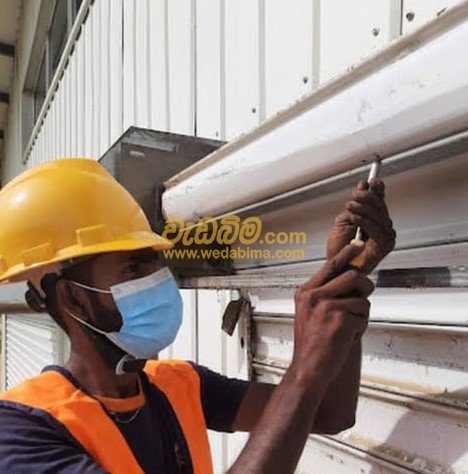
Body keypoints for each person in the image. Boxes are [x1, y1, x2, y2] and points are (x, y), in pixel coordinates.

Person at [0, 158, 395, 473]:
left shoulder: (178, 385)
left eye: (158, 265)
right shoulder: (22, 430)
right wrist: (303, 370)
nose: (159, 281)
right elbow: (307, 391)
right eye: (135, 269)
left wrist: (345, 275)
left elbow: (330, 413)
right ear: (74, 300)